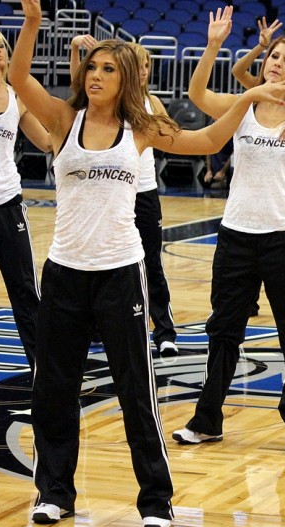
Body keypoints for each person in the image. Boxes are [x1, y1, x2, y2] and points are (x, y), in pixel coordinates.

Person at [11, 0, 285, 527]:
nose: (95, 75)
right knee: (54, 388)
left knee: (135, 389)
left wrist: (249, 98)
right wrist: (31, 22)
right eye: (92, 67)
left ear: (127, 80)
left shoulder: (142, 127)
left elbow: (207, 141)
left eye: (107, 69)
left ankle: (156, 500)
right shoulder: (62, 118)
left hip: (120, 272)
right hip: (65, 270)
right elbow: (20, 75)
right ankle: (55, 492)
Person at [171, 6, 285, 455]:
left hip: (284, 237)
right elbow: (197, 94)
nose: (275, 62)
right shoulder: (245, 106)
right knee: (223, 332)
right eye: (272, 55)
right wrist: (214, 44)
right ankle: (207, 420)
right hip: (235, 235)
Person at [70, 36, 179, 357]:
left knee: (151, 263)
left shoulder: (152, 103)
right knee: (103, 262)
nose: (143, 71)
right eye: (138, 65)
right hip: (112, 194)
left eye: (146, 66)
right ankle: (98, 326)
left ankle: (164, 329)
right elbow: (79, 89)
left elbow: (174, 136)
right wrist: (76, 51)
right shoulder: (101, 103)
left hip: (144, 192)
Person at [0, 29, 51, 371]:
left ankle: (44, 372)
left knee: (27, 293)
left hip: (6, 204)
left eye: (2, 45)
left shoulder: (17, 98)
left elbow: (48, 142)